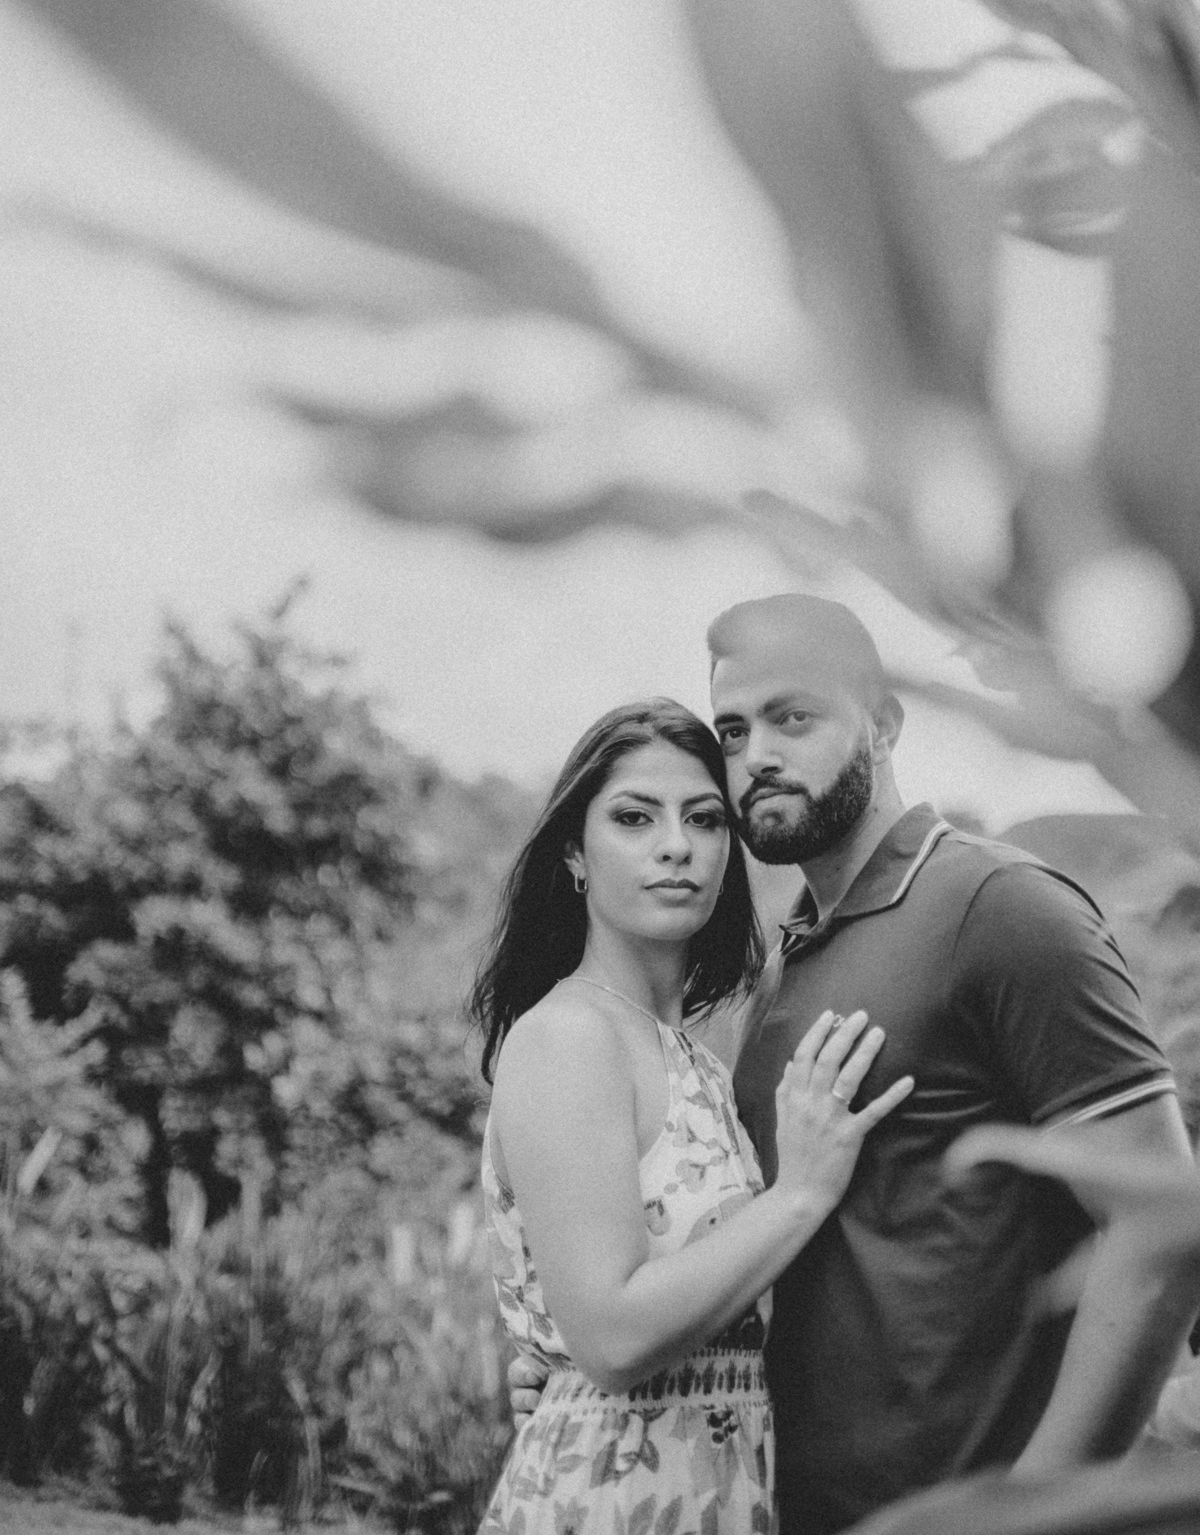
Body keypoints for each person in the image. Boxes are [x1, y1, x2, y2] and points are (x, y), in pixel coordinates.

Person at [510, 596, 1200, 1535]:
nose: (757, 755)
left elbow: (1160, 1228)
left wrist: (1035, 1513)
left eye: (793, 717)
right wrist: (581, 1373)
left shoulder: (1002, 909)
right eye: (733, 730)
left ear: (884, 722)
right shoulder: (781, 965)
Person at [468, 697, 914, 1535]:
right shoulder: (569, 1035)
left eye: (705, 819)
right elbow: (612, 1338)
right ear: (573, 852)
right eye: (634, 817)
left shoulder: (698, 1061)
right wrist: (800, 1195)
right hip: (612, 1504)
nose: (676, 845)